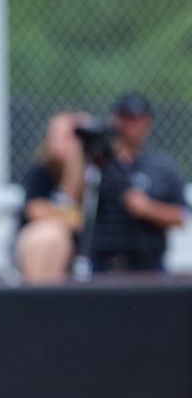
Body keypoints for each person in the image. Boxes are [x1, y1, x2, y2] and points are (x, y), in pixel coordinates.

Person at [85, 93, 187, 273]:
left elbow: (182, 216)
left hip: (149, 263)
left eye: (138, 119)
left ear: (148, 122)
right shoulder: (98, 162)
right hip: (103, 265)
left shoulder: (163, 166)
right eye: (126, 118)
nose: (132, 125)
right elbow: (73, 200)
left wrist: (148, 209)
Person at [14, 112, 89, 284]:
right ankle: (40, 301)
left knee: (55, 237)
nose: (72, 143)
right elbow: (35, 210)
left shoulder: (96, 171)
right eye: (65, 136)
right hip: (39, 246)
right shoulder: (41, 171)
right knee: (51, 236)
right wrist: (70, 217)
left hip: (81, 247)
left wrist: (76, 164)